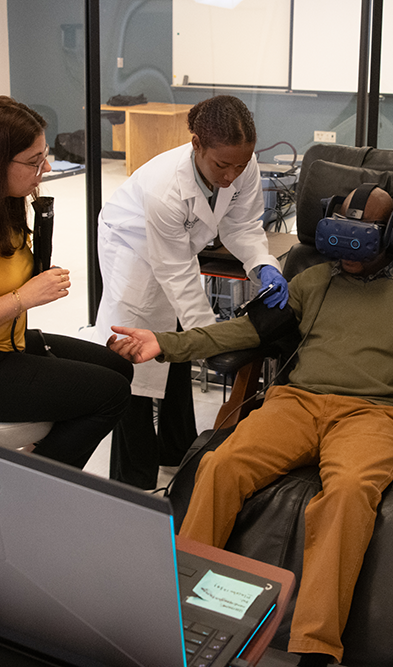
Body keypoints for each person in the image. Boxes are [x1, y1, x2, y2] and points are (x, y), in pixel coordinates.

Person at [108, 186, 393, 666]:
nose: (348, 254)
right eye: (339, 237)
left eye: (360, 240)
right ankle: (178, 612)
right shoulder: (312, 280)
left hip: (374, 413)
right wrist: (165, 344)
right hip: (296, 403)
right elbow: (246, 331)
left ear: (392, 234)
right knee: (221, 465)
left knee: (348, 493)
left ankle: (314, 647)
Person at [0, 96, 133, 470]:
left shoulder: (0, 201)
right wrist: (23, 297)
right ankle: (33, 481)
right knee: (111, 393)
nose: (46, 168)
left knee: (118, 368)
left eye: (45, 156)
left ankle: (40, 460)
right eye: (34, 161)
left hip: (7, 343)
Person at [94, 94, 288, 490]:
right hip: (131, 248)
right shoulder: (164, 188)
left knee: (177, 342)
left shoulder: (240, 162)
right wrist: (212, 338)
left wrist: (261, 263)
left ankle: (176, 449)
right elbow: (177, 271)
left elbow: (241, 225)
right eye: (222, 166)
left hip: (175, 251)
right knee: (134, 357)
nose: (231, 175)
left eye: (240, 165)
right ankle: (133, 479)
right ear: (196, 144)